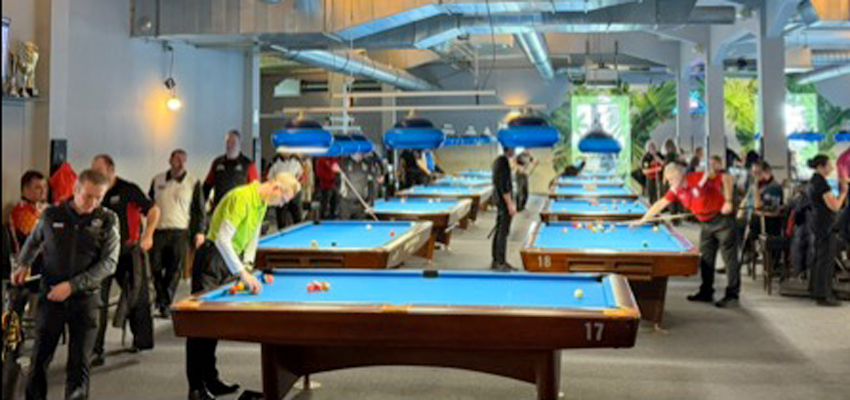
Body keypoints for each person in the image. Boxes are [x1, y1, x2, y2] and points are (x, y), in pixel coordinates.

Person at [186, 173, 301, 400]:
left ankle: (211, 379)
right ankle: (196, 387)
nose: (282, 205)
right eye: (283, 199)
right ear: (276, 188)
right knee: (201, 326)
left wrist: (247, 268)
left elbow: (253, 236)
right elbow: (222, 239)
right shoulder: (242, 197)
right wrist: (242, 273)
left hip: (227, 260)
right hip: (211, 259)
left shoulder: (261, 203)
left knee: (213, 325)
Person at [12, 169, 120, 400]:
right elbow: (34, 241)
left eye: (99, 197)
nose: (93, 203)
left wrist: (72, 286)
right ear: (75, 190)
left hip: (86, 299)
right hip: (51, 296)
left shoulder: (108, 219)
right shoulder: (52, 214)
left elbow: (109, 263)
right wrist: (23, 264)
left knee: (79, 365)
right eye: (88, 196)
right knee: (39, 359)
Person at [634, 162, 740, 308]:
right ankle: (706, 292)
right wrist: (643, 220)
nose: (669, 183)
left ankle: (732, 295)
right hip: (706, 224)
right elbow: (661, 203)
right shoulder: (676, 189)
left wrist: (728, 201)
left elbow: (726, 178)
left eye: (671, 179)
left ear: (679, 175)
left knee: (729, 259)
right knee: (706, 259)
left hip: (722, 221)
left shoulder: (698, 178)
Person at [91, 155, 161, 366]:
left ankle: (141, 340)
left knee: (138, 297)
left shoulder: (128, 189)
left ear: (111, 170)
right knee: (98, 302)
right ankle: (95, 350)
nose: (95, 174)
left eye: (99, 170)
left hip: (128, 251)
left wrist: (148, 234)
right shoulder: (94, 192)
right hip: (102, 256)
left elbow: (154, 210)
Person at [148, 150, 206, 318]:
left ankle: (165, 304)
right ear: (170, 160)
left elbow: (199, 210)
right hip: (159, 229)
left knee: (174, 270)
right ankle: (162, 297)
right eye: (177, 159)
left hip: (180, 231)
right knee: (155, 267)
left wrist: (200, 231)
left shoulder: (193, 182)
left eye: (183, 160)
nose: (180, 163)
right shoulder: (157, 180)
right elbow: (149, 204)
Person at [805, 155, 848, 306]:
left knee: (819, 257)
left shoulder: (813, 181)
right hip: (825, 225)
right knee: (826, 260)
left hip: (817, 223)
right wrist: (844, 193)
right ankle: (823, 294)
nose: (831, 167)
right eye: (829, 164)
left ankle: (816, 290)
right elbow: (835, 206)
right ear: (821, 167)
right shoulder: (821, 183)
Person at [203, 130, 259, 211]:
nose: (229, 145)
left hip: (239, 211)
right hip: (219, 209)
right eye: (228, 142)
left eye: (233, 142)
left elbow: (255, 191)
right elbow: (207, 186)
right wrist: (200, 207)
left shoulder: (248, 165)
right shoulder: (217, 163)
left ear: (239, 144)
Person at [491, 147, 517, 272]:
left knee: (499, 231)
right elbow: (504, 187)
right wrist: (510, 205)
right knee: (503, 232)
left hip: (499, 200)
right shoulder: (503, 162)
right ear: (509, 149)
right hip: (503, 202)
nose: (515, 150)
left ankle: (496, 260)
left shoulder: (499, 160)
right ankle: (500, 261)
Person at [266, 152, 304, 229]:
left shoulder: (296, 162)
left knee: (298, 219)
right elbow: (269, 178)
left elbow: (301, 176)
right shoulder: (275, 163)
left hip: (294, 193)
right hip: (281, 194)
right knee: (281, 219)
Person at [338, 153, 378, 220]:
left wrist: (371, 203)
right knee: (344, 225)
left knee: (359, 225)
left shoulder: (367, 164)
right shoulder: (343, 163)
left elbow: (371, 185)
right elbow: (337, 183)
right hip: (346, 203)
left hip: (360, 204)